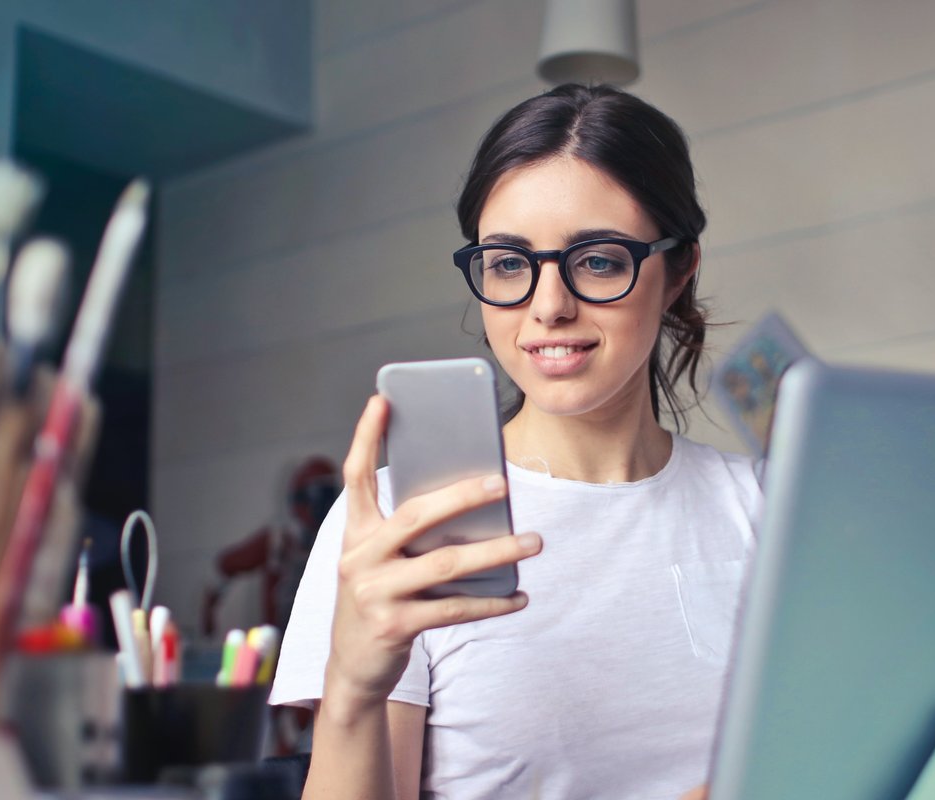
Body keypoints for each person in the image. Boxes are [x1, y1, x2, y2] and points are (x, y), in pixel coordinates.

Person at [271, 83, 763, 799]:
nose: (549, 306)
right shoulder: (395, 520)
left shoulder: (767, 509)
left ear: (679, 268)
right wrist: (351, 687)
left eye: (597, 260)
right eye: (508, 263)